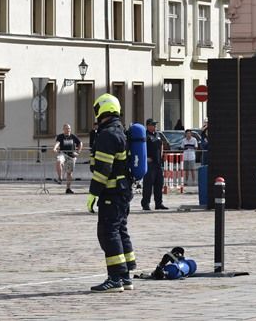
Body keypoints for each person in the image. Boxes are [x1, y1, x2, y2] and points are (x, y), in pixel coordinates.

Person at [86, 94, 136, 292]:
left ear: (101, 110)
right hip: (122, 192)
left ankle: (115, 278)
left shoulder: (107, 134)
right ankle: (125, 276)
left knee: (109, 232)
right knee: (119, 230)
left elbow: (103, 170)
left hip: (112, 192)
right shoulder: (119, 131)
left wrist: (93, 194)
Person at [141, 119, 170, 210]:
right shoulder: (145, 135)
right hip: (150, 163)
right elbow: (142, 148)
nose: (155, 126)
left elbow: (161, 144)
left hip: (158, 163)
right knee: (148, 185)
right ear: (148, 126)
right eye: (153, 125)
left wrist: (161, 155)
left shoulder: (157, 134)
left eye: (155, 125)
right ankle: (145, 204)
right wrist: (145, 158)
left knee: (159, 184)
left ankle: (158, 203)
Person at [53, 124, 82, 195]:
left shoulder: (73, 136)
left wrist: (78, 152)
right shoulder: (60, 136)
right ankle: (60, 178)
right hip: (63, 153)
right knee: (58, 161)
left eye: (69, 128)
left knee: (69, 173)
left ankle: (68, 188)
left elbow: (80, 143)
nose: (68, 130)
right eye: (66, 129)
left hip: (71, 156)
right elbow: (58, 143)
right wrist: (55, 148)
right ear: (63, 130)